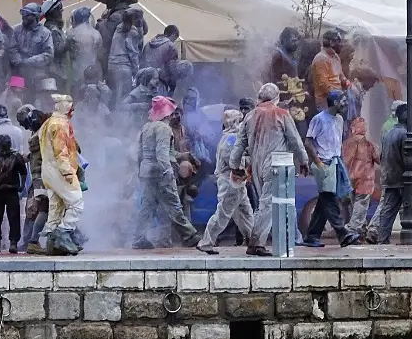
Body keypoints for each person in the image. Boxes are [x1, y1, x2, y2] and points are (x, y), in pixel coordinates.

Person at [229, 82, 309, 257]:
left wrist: (234, 166)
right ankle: (256, 243)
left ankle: (261, 240)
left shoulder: (249, 117)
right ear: (276, 98)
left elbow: (239, 145)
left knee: (265, 203)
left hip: (256, 166)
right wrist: (304, 160)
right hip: (276, 164)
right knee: (267, 203)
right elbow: (295, 140)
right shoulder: (282, 114)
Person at [132, 95, 200, 251]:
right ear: (167, 113)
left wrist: (182, 155)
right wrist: (168, 171)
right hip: (161, 173)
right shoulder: (164, 129)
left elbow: (140, 153)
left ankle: (138, 238)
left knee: (147, 207)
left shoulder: (147, 127)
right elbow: (162, 154)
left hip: (147, 172)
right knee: (174, 204)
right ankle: (189, 235)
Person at [303, 90, 355, 248]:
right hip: (324, 163)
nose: (346, 104)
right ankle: (342, 233)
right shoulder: (318, 119)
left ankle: (312, 236)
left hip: (335, 162)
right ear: (334, 102)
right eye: (343, 101)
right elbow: (308, 142)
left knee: (324, 201)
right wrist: (318, 163)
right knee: (329, 198)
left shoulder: (339, 120)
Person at [197, 109, 253, 255]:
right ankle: (206, 242)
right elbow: (234, 162)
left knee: (245, 213)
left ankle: (254, 241)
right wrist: (250, 161)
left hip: (237, 182)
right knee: (223, 213)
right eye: (240, 121)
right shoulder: (232, 139)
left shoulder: (231, 137)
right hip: (231, 181)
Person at [39, 95, 85, 256]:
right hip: (59, 170)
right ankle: (63, 232)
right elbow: (60, 151)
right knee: (76, 202)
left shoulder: (48, 123)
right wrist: (67, 172)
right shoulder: (59, 124)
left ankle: (53, 244)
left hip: (49, 170)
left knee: (56, 206)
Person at [372, 101, 409, 243]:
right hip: (401, 178)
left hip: (389, 176)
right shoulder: (404, 134)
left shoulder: (389, 133)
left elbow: (382, 156)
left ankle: (382, 239)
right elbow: (407, 160)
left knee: (388, 210)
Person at [0, 133, 27, 253]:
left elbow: (23, 172)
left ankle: (13, 242)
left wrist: (22, 185)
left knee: (13, 217)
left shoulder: (16, 156)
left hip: (12, 191)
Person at [342, 116, 380, 243]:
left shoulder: (347, 143)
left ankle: (361, 231)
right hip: (365, 180)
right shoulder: (368, 144)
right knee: (361, 206)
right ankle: (352, 231)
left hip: (350, 180)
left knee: (355, 206)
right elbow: (379, 158)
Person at [20, 107, 51, 254]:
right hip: (45, 177)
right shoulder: (43, 137)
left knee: (35, 210)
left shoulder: (34, 138)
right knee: (44, 208)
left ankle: (29, 240)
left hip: (37, 178)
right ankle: (31, 241)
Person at [9, 3, 56, 100]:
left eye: (27, 14)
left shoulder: (45, 33)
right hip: (20, 74)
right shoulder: (17, 31)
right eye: (23, 14)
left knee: (40, 106)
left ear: (35, 16)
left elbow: (48, 55)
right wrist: (18, 60)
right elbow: (12, 49)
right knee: (17, 103)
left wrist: (29, 61)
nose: (23, 16)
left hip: (39, 76)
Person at [106, 8, 143, 106]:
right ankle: (120, 119)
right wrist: (136, 71)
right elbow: (133, 52)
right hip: (124, 67)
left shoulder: (118, 28)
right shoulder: (132, 32)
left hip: (111, 65)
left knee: (114, 97)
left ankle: (111, 119)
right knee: (123, 99)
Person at [308, 30, 348, 112]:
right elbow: (324, 84)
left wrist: (346, 82)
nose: (341, 44)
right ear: (331, 43)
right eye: (339, 42)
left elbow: (340, 75)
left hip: (338, 99)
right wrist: (338, 95)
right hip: (325, 102)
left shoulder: (336, 56)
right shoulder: (321, 58)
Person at [66, 7, 102, 96]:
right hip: (93, 70)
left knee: (77, 94)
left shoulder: (72, 33)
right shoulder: (96, 33)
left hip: (77, 70)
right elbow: (99, 52)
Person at [41, 0, 70, 93]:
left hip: (56, 70)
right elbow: (57, 50)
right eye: (60, 10)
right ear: (55, 12)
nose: (62, 12)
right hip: (56, 71)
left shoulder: (51, 27)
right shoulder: (53, 30)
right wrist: (68, 42)